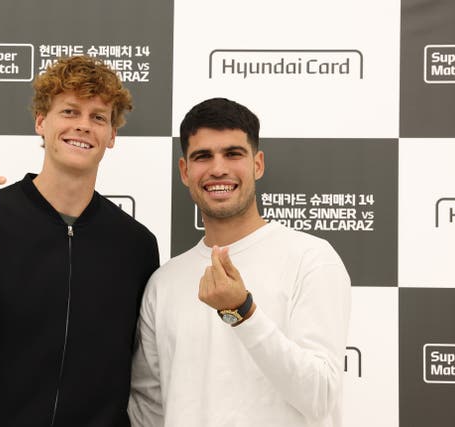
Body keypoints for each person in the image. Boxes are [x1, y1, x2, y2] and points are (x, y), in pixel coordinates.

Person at [0, 55, 159, 427]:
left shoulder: (135, 246)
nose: (83, 125)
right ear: (41, 122)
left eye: (98, 117)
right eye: (69, 111)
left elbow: (142, 375)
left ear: (112, 135)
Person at [128, 98, 351, 427]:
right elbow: (149, 410)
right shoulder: (164, 282)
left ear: (258, 164)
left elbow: (320, 397)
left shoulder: (312, 259)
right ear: (185, 171)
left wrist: (242, 312)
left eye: (233, 154)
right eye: (203, 156)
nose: (218, 168)